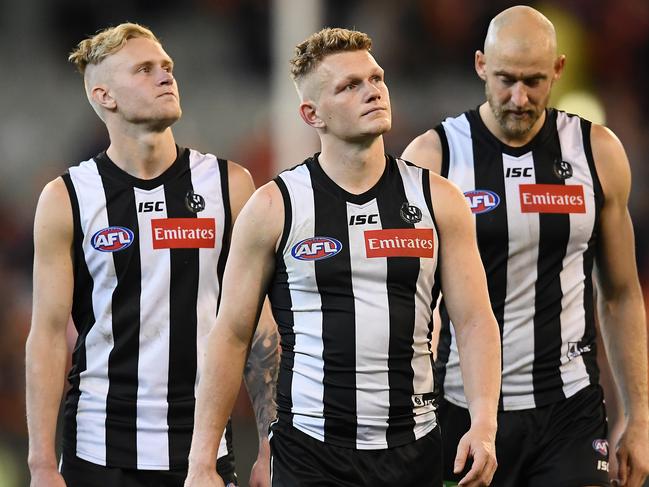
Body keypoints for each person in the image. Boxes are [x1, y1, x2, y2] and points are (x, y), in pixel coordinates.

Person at [184, 27, 501, 487]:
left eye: (375, 78)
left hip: (414, 449)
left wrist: (484, 425)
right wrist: (202, 459)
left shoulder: (439, 199)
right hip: (309, 452)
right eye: (350, 86)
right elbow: (231, 334)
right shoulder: (275, 206)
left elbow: (474, 321)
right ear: (312, 114)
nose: (372, 91)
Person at [402, 6, 649, 487]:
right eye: (505, 80)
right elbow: (406, 300)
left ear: (558, 69)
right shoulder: (433, 158)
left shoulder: (597, 153)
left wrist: (639, 416)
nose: (519, 97)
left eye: (534, 81)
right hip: (461, 409)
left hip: (568, 411)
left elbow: (620, 294)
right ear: (480, 66)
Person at [25, 23, 278, 487]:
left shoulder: (231, 186)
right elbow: (45, 336)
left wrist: (268, 445)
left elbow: (258, 325)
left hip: (202, 452)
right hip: (97, 452)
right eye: (144, 69)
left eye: (167, 67)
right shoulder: (67, 198)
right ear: (105, 96)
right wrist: (42, 462)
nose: (165, 76)